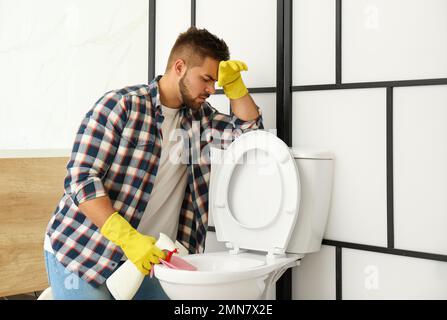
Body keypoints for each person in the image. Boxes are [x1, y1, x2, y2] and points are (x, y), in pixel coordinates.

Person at [43, 26, 263, 299]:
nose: (211, 89)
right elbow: (81, 179)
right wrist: (127, 238)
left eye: (216, 82)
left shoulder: (201, 120)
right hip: (86, 251)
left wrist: (235, 88)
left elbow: (251, 135)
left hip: (152, 259)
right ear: (179, 67)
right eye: (207, 79)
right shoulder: (122, 105)